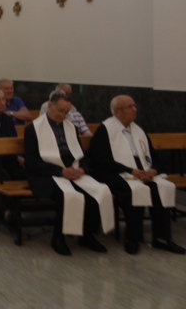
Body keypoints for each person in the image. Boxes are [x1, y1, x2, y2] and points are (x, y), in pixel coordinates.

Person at [90, 95, 185, 255]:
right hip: (116, 172)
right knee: (133, 190)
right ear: (118, 111)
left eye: (134, 106)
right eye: (130, 106)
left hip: (143, 171)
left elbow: (156, 159)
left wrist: (153, 171)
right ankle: (132, 237)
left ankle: (161, 238)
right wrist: (132, 171)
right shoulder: (105, 129)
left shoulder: (139, 131)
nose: (135, 109)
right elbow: (100, 160)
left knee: (161, 188)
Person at [25, 92, 114, 256]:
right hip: (46, 174)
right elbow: (32, 162)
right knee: (68, 195)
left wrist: (83, 169)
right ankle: (58, 237)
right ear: (50, 107)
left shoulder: (71, 127)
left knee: (98, 191)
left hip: (72, 170)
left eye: (66, 112)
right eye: (60, 111)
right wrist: (60, 171)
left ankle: (86, 235)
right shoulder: (33, 129)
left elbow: (82, 155)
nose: (63, 115)